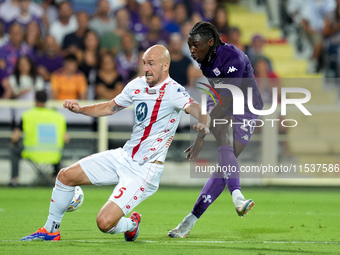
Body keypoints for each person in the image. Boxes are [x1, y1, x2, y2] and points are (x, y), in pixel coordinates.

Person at [20, 44, 210, 242]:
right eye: (144, 63)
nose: (146, 68)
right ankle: (51, 230)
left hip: (145, 170)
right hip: (124, 156)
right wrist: (81, 109)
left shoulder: (174, 91)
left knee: (104, 223)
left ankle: (131, 224)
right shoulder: (136, 85)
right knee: (65, 176)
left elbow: (198, 110)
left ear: (165, 66)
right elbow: (110, 107)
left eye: (151, 64)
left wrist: (203, 130)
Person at [168, 21, 263, 238]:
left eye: (196, 46)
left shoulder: (234, 58)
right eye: (189, 45)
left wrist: (203, 130)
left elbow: (230, 98)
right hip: (222, 100)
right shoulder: (204, 59)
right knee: (222, 136)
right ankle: (236, 197)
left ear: (211, 42)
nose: (191, 51)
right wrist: (203, 130)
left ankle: (189, 221)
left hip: (246, 107)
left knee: (223, 168)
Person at [8, 90, 68, 187]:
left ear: (35, 100)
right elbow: (66, 139)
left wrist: (12, 143)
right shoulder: (58, 116)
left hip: (32, 153)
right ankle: (56, 180)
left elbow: (15, 137)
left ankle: (14, 180)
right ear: (46, 100)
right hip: (53, 154)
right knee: (59, 153)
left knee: (14, 152)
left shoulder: (27, 115)